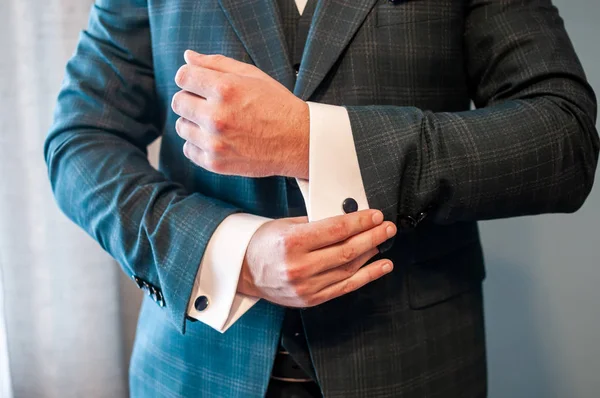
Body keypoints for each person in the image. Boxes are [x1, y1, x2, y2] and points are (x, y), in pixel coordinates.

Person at [44, 0, 599, 397]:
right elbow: (81, 139)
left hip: (414, 367)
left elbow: (563, 136)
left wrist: (309, 139)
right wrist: (229, 252)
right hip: (194, 371)